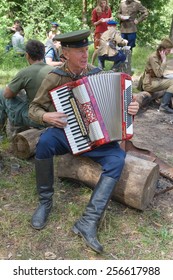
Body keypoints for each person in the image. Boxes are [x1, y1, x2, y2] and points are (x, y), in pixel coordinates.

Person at [28, 29, 139, 253]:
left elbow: (125, 105)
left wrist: (132, 108)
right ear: (65, 54)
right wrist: (46, 116)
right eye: (79, 51)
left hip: (98, 139)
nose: (84, 55)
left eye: (85, 50)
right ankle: (45, 201)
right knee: (45, 142)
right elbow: (33, 109)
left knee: (118, 158)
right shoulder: (55, 77)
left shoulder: (98, 74)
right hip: (67, 135)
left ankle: (88, 221)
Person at [0, 39, 54, 133]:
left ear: (27, 55)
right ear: (44, 54)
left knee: (1, 93)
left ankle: (2, 132)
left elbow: (7, 95)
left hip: (36, 118)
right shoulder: (54, 70)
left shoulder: (25, 72)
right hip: (54, 116)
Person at [139, 37, 173, 113]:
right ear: (163, 49)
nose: (169, 52)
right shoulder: (153, 57)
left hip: (155, 80)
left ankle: (166, 103)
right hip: (149, 84)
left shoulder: (159, 55)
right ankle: (164, 106)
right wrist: (164, 61)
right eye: (168, 50)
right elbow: (159, 74)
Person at [91, 0, 112, 64]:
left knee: (105, 48)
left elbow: (111, 17)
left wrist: (110, 19)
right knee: (97, 49)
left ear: (106, 2)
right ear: (98, 3)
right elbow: (93, 23)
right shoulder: (95, 10)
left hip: (107, 31)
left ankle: (101, 65)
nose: (103, 4)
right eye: (101, 3)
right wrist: (99, 21)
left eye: (104, 3)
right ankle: (92, 63)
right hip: (99, 32)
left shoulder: (108, 9)